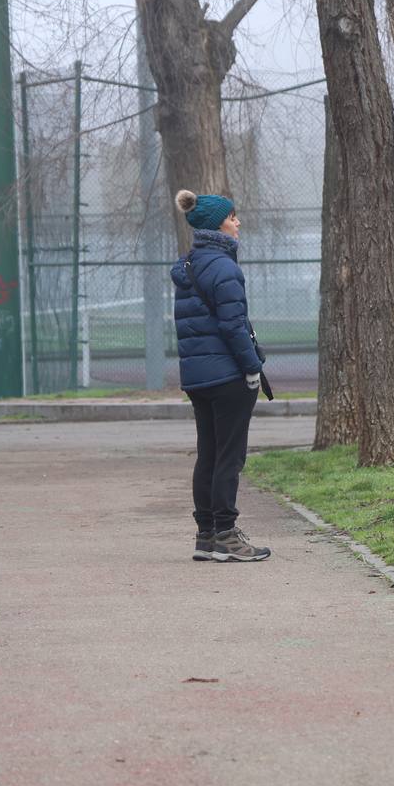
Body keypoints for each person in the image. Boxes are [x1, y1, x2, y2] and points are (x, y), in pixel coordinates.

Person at [170, 189, 271, 562]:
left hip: (198, 378)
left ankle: (207, 536)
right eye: (232, 217)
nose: (238, 222)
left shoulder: (189, 266)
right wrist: (251, 369)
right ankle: (227, 535)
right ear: (217, 225)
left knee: (209, 456)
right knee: (230, 457)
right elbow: (233, 327)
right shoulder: (226, 268)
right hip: (228, 376)